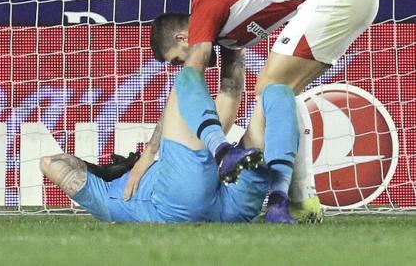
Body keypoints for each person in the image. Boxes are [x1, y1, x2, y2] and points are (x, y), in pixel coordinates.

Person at [146, 0, 379, 223]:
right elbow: (230, 94)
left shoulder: (205, 4)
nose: (179, 65)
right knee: (283, 95)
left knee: (271, 88)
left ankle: (298, 200)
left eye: (176, 58)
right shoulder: (229, 39)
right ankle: (303, 200)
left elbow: (189, 82)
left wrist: (153, 151)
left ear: (182, 37)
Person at [39, 57, 302, 224]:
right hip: (183, 202)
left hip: (228, 208)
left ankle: (277, 201)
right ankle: (278, 197)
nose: (126, 158)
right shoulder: (105, 198)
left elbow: (51, 163)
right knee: (187, 76)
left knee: (277, 93)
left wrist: (96, 169)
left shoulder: (111, 201)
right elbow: (49, 163)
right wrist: (98, 169)